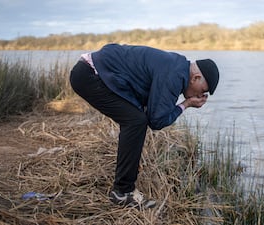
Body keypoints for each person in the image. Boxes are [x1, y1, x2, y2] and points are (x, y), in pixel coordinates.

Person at [69, 43, 219, 209]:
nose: (201, 95)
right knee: (135, 121)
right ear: (195, 78)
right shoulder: (175, 74)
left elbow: (152, 110)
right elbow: (157, 121)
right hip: (89, 75)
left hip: (91, 71)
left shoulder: (177, 67)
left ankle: (125, 183)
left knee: (136, 118)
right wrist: (186, 104)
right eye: (203, 90)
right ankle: (122, 192)